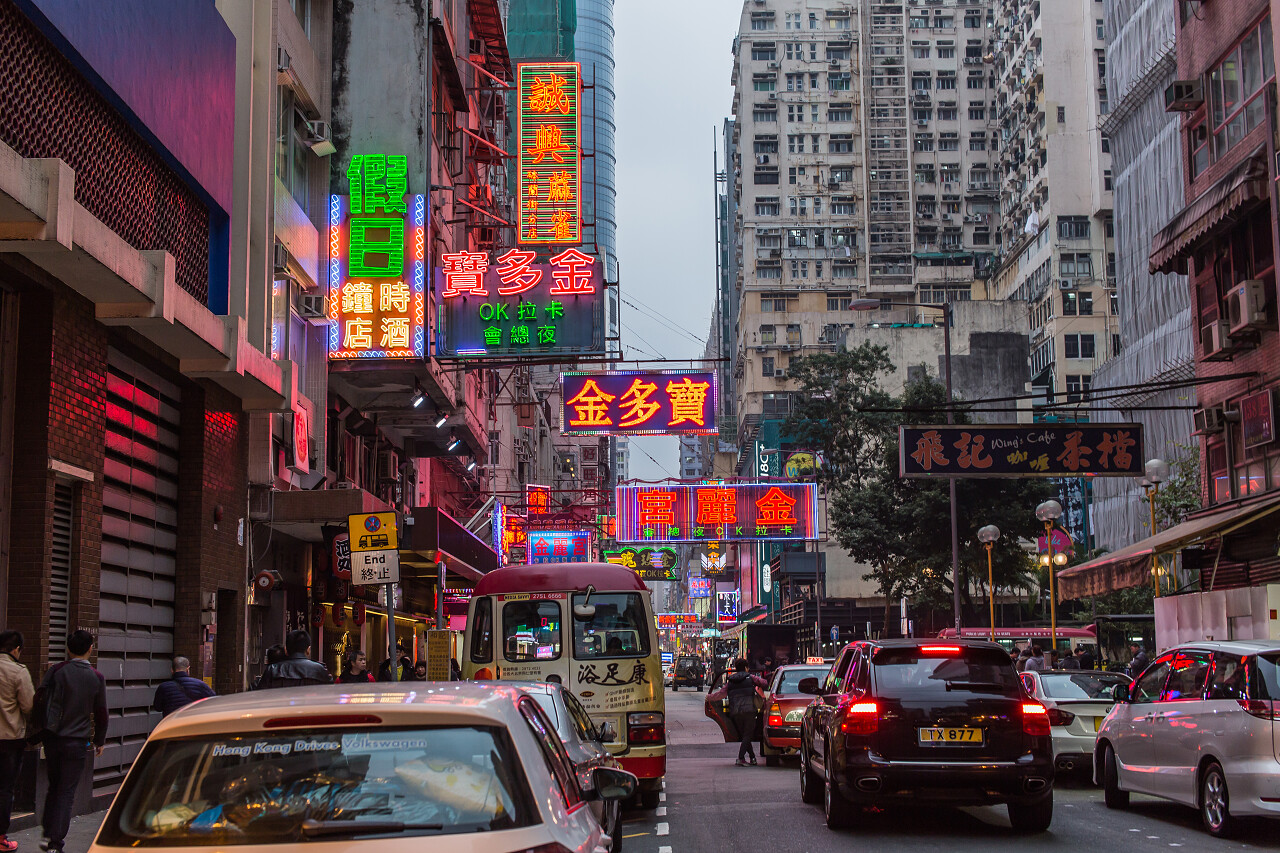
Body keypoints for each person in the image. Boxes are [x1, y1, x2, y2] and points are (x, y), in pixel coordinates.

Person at [36, 629, 108, 853]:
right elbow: (101, 712)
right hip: (77, 741)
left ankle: (48, 832)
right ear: (90, 649)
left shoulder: (56, 671)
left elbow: (39, 699)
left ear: (68, 649)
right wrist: (99, 740)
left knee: (54, 786)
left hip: (53, 739)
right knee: (67, 792)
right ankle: (56, 843)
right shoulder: (96, 677)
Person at [0, 631, 33, 853]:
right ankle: (1, 837)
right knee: (4, 789)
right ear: (16, 649)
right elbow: (29, 705)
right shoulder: (18, 671)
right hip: (9, 740)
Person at [708, 659, 767, 767]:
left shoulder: (730, 681)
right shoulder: (751, 678)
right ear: (745, 668)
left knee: (745, 735)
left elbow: (721, 694)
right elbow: (764, 683)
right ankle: (740, 758)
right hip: (749, 710)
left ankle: (753, 758)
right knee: (748, 735)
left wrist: (709, 697)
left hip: (735, 711)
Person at [255, 630, 331, 689]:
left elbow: (261, 695)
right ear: (308, 650)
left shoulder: (273, 670)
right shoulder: (320, 670)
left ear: (286, 650)